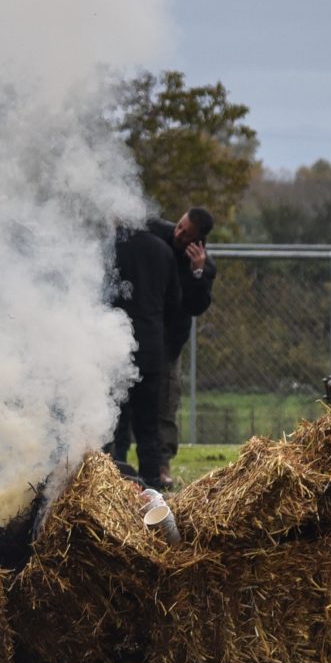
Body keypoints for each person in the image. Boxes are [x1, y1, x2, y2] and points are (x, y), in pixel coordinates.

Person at [107, 207, 217, 489]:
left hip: (165, 341)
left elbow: (193, 305)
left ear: (199, 240)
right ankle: (129, 470)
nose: (179, 234)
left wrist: (197, 273)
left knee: (162, 407)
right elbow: (135, 218)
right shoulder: (160, 234)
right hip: (145, 335)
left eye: (187, 234)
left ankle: (159, 470)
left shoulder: (203, 265)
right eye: (180, 227)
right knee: (128, 410)